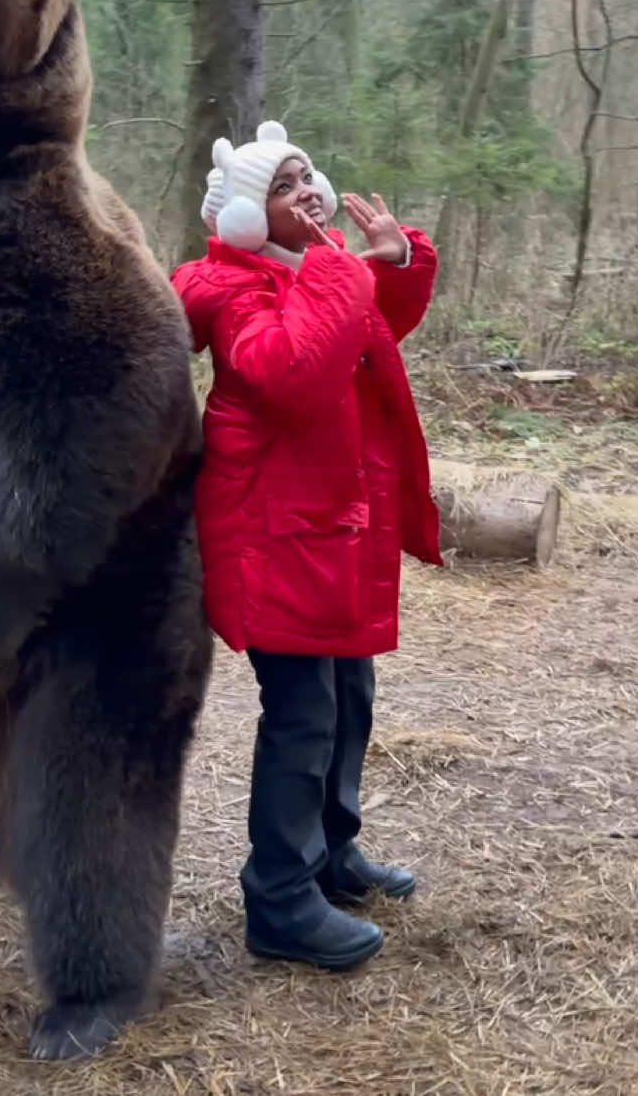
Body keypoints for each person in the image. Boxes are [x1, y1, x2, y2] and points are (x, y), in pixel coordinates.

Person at [172, 120, 441, 972]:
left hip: (331, 528)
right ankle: (279, 897)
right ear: (246, 213)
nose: (308, 194)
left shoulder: (305, 272)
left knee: (349, 695)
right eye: (283, 187)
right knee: (301, 714)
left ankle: (331, 852)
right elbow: (292, 372)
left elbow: (372, 332)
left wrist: (393, 262)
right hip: (271, 536)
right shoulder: (230, 288)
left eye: (305, 176)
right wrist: (339, 268)